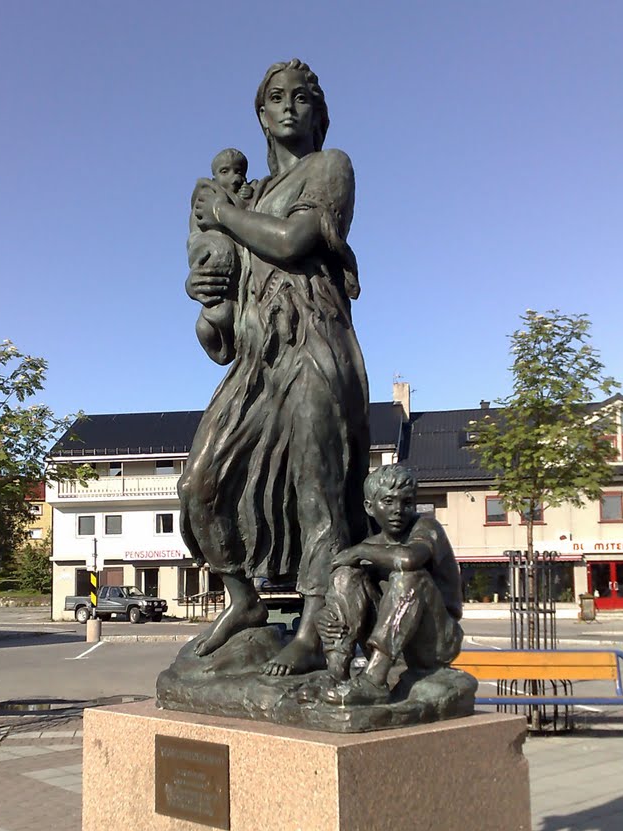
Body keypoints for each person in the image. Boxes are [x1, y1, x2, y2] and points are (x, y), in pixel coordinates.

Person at [180, 59, 370, 677]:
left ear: (319, 113)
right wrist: (207, 302)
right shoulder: (251, 195)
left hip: (314, 345)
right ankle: (243, 601)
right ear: (261, 115)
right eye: (276, 99)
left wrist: (224, 214)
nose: (289, 107)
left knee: (318, 488)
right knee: (200, 482)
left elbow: (293, 243)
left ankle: (318, 627)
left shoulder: (330, 167)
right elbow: (224, 331)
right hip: (260, 363)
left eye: (302, 98)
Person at [315, 465, 464, 705]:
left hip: (435, 642)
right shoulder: (373, 546)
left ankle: (374, 680)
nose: (398, 510)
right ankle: (337, 673)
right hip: (391, 641)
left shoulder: (426, 529)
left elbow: (408, 559)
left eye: (407, 502)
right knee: (346, 574)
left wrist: (360, 550)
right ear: (369, 507)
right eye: (388, 501)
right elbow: (344, 594)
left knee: (409, 576)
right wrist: (325, 618)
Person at [187, 150, 255, 362]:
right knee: (209, 325)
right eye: (225, 171)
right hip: (221, 272)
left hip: (247, 286)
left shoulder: (253, 193)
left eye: (239, 172)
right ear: (215, 176)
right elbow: (195, 241)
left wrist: (246, 200)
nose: (235, 177)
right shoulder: (205, 199)